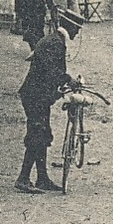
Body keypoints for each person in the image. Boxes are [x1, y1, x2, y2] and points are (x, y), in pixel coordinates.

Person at [15, 12, 80, 193]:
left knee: (42, 134)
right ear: (71, 27)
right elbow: (52, 71)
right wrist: (69, 80)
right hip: (35, 96)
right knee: (37, 134)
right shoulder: (56, 44)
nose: (77, 35)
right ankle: (23, 178)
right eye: (76, 30)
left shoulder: (54, 40)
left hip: (38, 95)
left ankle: (42, 178)